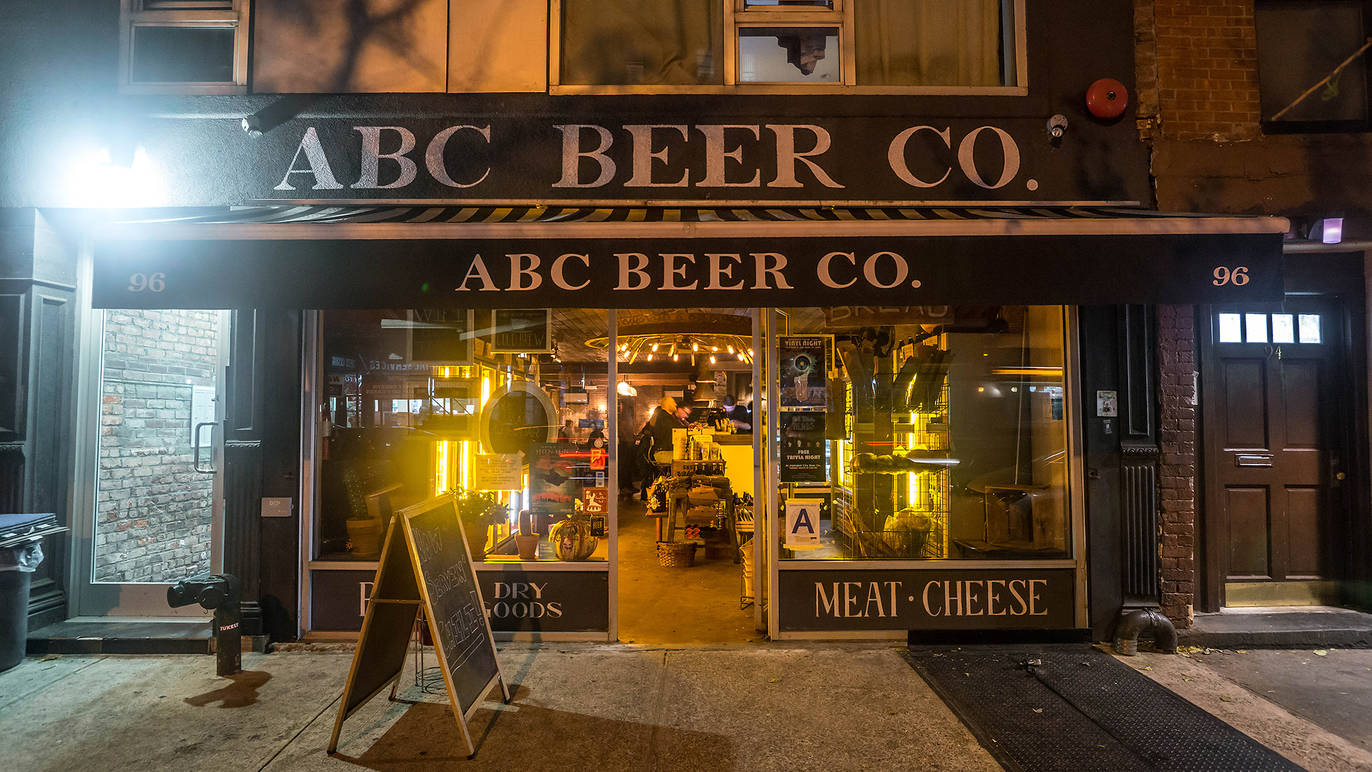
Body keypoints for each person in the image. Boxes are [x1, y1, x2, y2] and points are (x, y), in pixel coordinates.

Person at [638, 395, 685, 500]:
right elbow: (678, 430)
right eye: (673, 402)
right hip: (662, 453)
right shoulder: (664, 418)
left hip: (660, 452)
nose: (675, 404)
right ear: (667, 404)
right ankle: (677, 493)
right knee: (683, 461)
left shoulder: (664, 416)